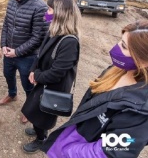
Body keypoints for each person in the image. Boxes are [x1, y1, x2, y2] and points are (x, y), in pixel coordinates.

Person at [41, 20, 148, 157]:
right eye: (120, 41)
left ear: (144, 61)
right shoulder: (117, 70)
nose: (115, 47)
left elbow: (110, 153)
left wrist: (66, 150)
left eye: (124, 46)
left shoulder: (140, 112)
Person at [21, 0, 81, 153]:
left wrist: (37, 76)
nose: (46, 13)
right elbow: (40, 54)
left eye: (49, 10)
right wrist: (33, 70)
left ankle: (41, 139)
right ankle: (39, 130)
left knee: (42, 113)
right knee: (35, 109)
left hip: (53, 86)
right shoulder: (53, 30)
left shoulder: (69, 42)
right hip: (43, 80)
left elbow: (57, 73)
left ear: (60, 14)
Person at [0, 0, 48, 124]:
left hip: (27, 57)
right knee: (8, 75)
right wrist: (3, 45)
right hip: (9, 52)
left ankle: (29, 109)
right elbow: (6, 24)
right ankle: (12, 94)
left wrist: (17, 52)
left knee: (28, 85)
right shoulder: (11, 2)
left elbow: (37, 37)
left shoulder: (40, 7)